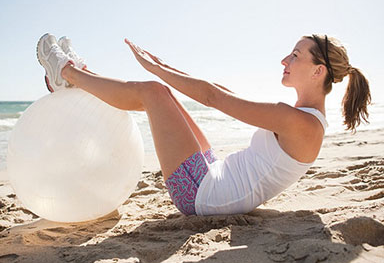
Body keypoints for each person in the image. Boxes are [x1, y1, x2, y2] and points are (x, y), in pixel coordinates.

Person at [36, 33, 371, 216]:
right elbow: (222, 92)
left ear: (318, 71)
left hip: (200, 194)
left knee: (153, 92)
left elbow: (213, 98)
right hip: (214, 172)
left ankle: (64, 71)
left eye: (296, 55)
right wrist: (167, 66)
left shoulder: (302, 124)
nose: (285, 60)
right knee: (163, 93)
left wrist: (154, 69)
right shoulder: (304, 118)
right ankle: (80, 77)